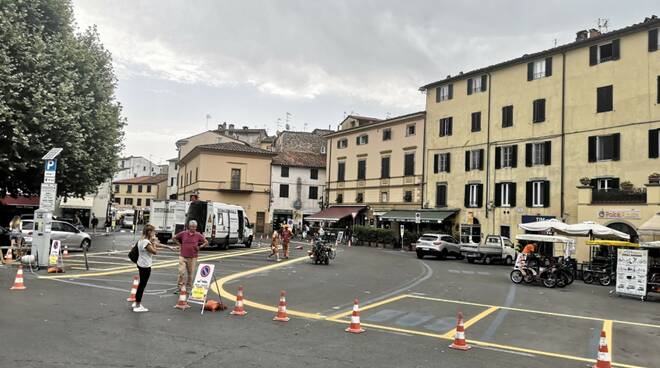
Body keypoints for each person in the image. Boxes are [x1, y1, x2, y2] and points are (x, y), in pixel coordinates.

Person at [133, 224, 175, 312]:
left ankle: (136, 302)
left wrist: (169, 247)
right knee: (142, 285)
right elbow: (154, 251)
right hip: (145, 266)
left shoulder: (142, 240)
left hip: (141, 264)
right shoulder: (146, 242)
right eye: (153, 231)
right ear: (149, 232)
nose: (154, 233)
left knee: (141, 285)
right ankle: (137, 305)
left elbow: (156, 244)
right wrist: (154, 242)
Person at [173, 220, 208, 292]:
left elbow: (206, 242)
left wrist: (200, 247)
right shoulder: (183, 233)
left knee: (190, 273)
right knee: (181, 272)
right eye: (192, 227)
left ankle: (188, 287)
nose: (193, 228)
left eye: (195, 227)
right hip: (183, 256)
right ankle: (180, 286)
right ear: (189, 226)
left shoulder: (198, 235)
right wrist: (179, 244)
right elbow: (174, 238)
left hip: (192, 257)